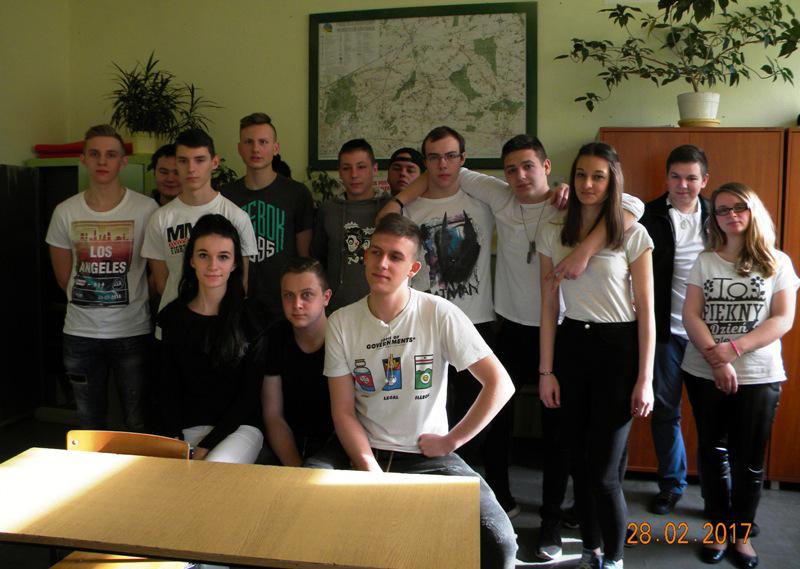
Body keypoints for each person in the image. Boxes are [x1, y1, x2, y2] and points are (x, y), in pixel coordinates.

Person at [307, 213, 518, 569]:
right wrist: (368, 467)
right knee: (306, 501)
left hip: (425, 455)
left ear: (413, 268)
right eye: (376, 252)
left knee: (499, 541)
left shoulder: (439, 313)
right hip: (362, 449)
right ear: (365, 256)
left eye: (395, 257)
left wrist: (450, 441)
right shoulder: (342, 321)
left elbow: (500, 384)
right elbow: (342, 411)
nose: (382, 264)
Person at [538, 142, 655, 569]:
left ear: (612, 182)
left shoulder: (632, 233)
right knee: (580, 465)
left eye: (599, 177)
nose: (588, 184)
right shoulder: (553, 230)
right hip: (573, 346)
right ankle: (592, 550)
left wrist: (645, 379)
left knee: (605, 474)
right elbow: (548, 307)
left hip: (619, 350)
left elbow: (647, 313)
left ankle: (615, 558)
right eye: (582, 175)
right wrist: (546, 371)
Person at [681, 183, 798, 568]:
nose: (731, 215)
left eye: (739, 207)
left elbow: (782, 319)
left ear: (753, 211)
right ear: (714, 218)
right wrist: (717, 361)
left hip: (759, 374)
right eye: (722, 209)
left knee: (749, 460)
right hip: (703, 371)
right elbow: (690, 315)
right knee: (712, 454)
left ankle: (741, 535)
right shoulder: (705, 261)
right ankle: (718, 530)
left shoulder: (778, 262)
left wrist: (733, 350)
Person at [46, 124, 158, 431]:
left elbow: (155, 272)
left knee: (137, 419)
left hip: (131, 331)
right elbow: (63, 277)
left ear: (123, 161)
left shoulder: (145, 209)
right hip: (80, 333)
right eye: (94, 154)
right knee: (87, 421)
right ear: (83, 159)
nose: (102, 161)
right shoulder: (65, 212)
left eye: (111, 154)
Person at [157, 214, 265, 464]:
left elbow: (248, 397)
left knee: (212, 470)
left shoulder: (252, 319)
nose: (213, 265)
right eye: (204, 255)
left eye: (223, 257)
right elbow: (166, 389)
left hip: (239, 429)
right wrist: (175, 441)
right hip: (185, 429)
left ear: (235, 264)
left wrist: (207, 445)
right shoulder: (171, 318)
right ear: (192, 260)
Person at [640, 145, 711, 515]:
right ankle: (671, 484)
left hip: (709, 336)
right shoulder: (647, 214)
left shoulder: (720, 215)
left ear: (704, 181)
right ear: (666, 178)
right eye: (676, 177)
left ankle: (719, 495)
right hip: (665, 332)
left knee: (712, 416)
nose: (683, 185)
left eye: (691, 178)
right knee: (666, 411)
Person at [142, 128, 257, 314]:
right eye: (183, 161)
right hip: (176, 320)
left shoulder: (236, 217)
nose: (191, 169)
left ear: (214, 162)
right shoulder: (160, 218)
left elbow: (240, 282)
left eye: (200, 160)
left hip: (222, 321)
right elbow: (162, 283)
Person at [222, 113, 314, 323]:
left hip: (284, 305)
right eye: (249, 142)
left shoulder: (297, 194)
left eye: (263, 142)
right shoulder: (225, 196)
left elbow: (304, 257)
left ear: (275, 147)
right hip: (238, 305)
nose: (256, 149)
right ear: (239, 148)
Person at [261, 257, 334, 466]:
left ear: (326, 297)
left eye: (307, 295)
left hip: (332, 444)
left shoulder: (342, 336)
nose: (297, 305)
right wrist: (295, 468)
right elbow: (273, 415)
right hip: (285, 439)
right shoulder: (276, 336)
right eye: (289, 296)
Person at [311, 138, 390, 312]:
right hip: (338, 309)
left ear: (374, 169)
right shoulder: (328, 209)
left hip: (382, 309)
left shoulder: (390, 207)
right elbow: (318, 259)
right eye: (347, 168)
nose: (354, 175)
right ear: (339, 172)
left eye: (361, 167)